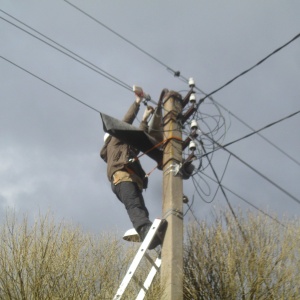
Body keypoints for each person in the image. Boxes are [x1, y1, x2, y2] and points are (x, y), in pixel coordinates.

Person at [100, 92, 166, 250]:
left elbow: (136, 140)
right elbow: (126, 123)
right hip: (122, 179)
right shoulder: (114, 141)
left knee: (141, 210)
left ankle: (151, 238)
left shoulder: (125, 150)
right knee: (135, 206)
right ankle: (144, 230)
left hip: (131, 180)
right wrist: (137, 102)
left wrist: (145, 119)